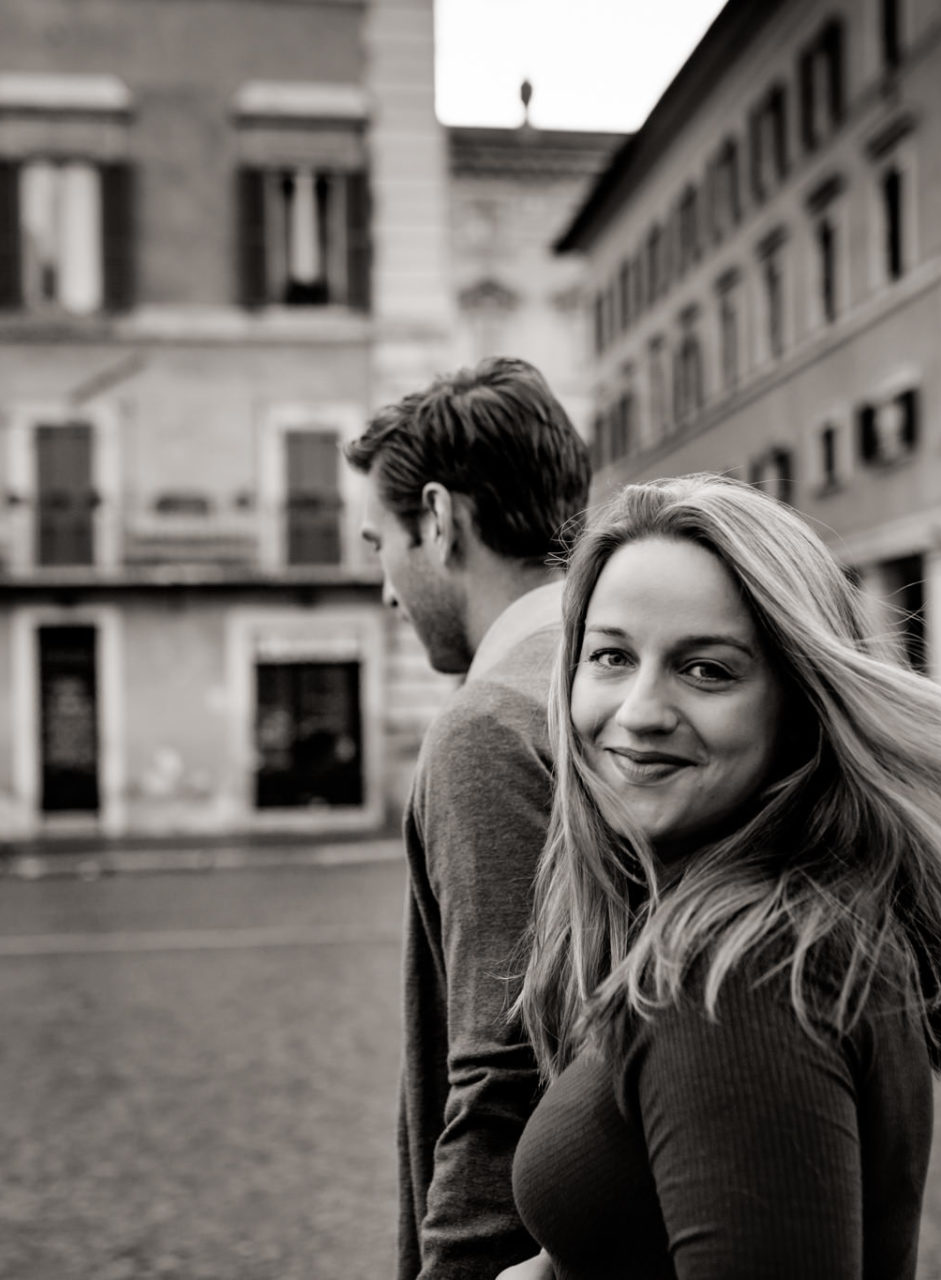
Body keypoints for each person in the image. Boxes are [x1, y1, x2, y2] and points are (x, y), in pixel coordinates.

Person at [508, 474, 941, 1279]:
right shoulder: (769, 926)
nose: (639, 710)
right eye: (610, 656)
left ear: (801, 706)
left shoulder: (737, 981)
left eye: (706, 670)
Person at [343, 358, 591, 1280]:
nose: (386, 589)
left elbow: (502, 1072)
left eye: (380, 545)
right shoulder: (617, 692)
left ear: (441, 521)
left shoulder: (490, 725)